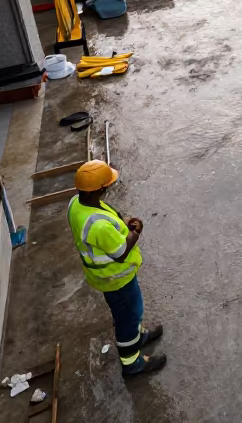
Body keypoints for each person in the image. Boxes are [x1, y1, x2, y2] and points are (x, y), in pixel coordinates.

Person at [67, 160, 166, 376]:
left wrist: (122, 221)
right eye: (107, 185)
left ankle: (139, 337)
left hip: (107, 277)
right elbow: (121, 252)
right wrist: (135, 232)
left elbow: (106, 216)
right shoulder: (98, 226)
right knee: (129, 317)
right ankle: (132, 364)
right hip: (116, 278)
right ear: (100, 189)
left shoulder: (76, 203)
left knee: (132, 313)